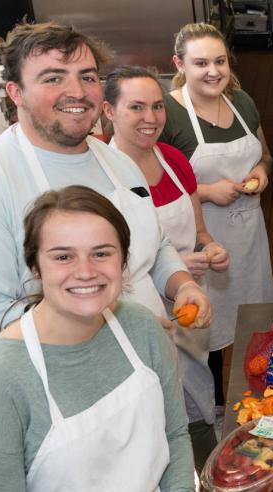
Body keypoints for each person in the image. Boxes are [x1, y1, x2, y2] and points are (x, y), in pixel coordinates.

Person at [0, 22, 211, 363]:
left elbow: (154, 244)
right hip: (67, 377)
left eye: (87, 76)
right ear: (15, 92)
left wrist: (182, 284)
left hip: (152, 360)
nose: (78, 92)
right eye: (53, 78)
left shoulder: (118, 162)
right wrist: (105, 331)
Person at [0, 185, 194, 490]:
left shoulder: (142, 328)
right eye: (63, 257)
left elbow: (175, 436)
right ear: (35, 267)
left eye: (101, 253)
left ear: (122, 260)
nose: (86, 272)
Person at [103, 65, 229, 467]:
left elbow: (200, 231)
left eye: (157, 106)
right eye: (136, 107)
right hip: (133, 313)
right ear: (109, 111)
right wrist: (170, 267)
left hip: (188, 304)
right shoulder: (100, 174)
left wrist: (210, 250)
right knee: (153, 415)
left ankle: (206, 468)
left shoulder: (173, 159)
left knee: (195, 400)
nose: (151, 118)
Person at [160, 22, 273, 412]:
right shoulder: (168, 113)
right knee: (204, 332)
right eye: (201, 63)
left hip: (249, 237)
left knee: (253, 321)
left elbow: (264, 154)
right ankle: (213, 412)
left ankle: (259, 403)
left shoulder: (241, 102)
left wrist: (260, 172)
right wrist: (208, 192)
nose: (213, 71)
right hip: (200, 242)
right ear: (180, 63)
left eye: (220, 61)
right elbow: (155, 180)